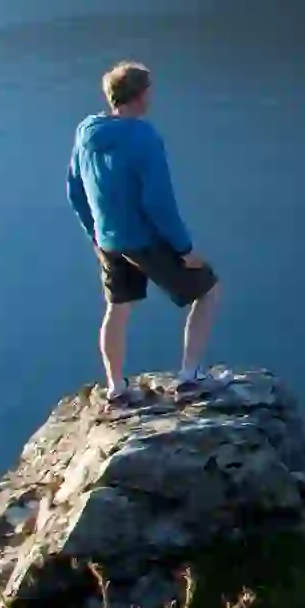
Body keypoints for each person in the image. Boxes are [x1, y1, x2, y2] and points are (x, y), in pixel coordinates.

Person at [67, 61, 223, 405]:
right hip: (143, 239)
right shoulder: (143, 137)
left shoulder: (86, 131)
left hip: (107, 239)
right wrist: (184, 249)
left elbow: (75, 189)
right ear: (140, 96)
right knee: (208, 290)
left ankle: (116, 388)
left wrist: (95, 232)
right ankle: (189, 376)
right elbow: (158, 203)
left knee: (118, 307)